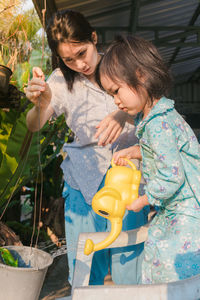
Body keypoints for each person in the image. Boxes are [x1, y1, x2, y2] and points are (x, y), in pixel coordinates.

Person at [25, 10, 149, 286]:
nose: (79, 64)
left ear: (93, 38)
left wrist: (123, 114)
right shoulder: (59, 80)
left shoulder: (122, 66)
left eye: (82, 53)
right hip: (84, 184)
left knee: (129, 267)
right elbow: (33, 124)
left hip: (128, 181)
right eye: (69, 60)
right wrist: (41, 103)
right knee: (84, 270)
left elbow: (151, 101)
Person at [98, 34, 200, 284]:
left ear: (141, 75)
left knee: (174, 273)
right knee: (155, 254)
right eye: (111, 95)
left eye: (117, 91)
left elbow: (171, 176)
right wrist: (134, 151)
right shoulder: (155, 117)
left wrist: (142, 200)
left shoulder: (158, 122)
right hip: (174, 208)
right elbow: (165, 153)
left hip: (187, 211)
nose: (116, 101)